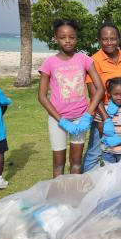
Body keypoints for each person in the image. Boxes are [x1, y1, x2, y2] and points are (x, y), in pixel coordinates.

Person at [38, 19, 104, 178]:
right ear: (56, 38)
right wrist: (61, 120)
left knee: (76, 162)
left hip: (80, 119)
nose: (67, 40)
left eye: (72, 37)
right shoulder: (49, 63)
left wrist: (88, 114)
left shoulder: (84, 59)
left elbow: (100, 88)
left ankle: (74, 197)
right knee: (58, 163)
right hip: (58, 120)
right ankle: (58, 198)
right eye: (63, 37)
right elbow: (41, 96)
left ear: (76, 38)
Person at [82, 22, 121, 172]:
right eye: (105, 39)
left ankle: (116, 187)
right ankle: (88, 186)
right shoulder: (93, 61)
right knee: (96, 152)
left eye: (113, 38)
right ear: (99, 41)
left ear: (118, 39)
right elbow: (93, 94)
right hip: (102, 113)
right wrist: (106, 119)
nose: (109, 42)